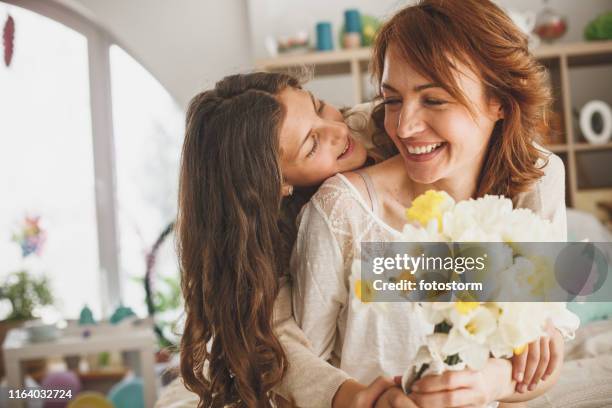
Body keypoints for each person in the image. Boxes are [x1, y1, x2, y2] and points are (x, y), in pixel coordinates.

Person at [288, 0, 577, 407]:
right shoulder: (342, 210)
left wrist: (492, 383)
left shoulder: (539, 177)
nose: (404, 126)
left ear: (501, 102)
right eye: (391, 100)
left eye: (435, 100)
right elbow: (302, 373)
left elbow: (545, 354)